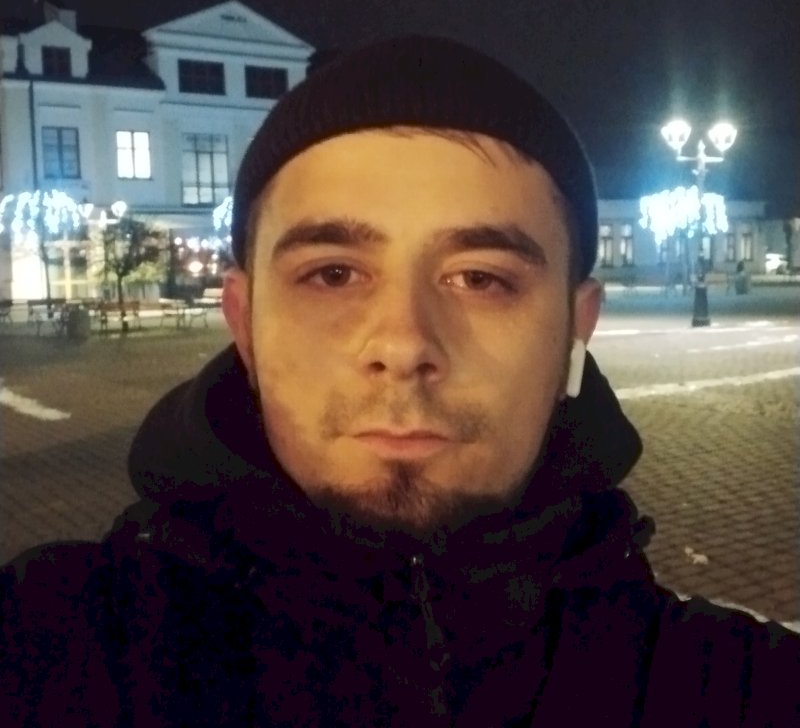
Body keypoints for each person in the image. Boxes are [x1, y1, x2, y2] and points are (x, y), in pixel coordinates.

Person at [2, 36, 798, 726]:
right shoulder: (52, 647)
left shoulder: (737, 687)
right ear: (244, 321)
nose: (405, 343)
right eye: (333, 273)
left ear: (574, 326)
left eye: (481, 278)